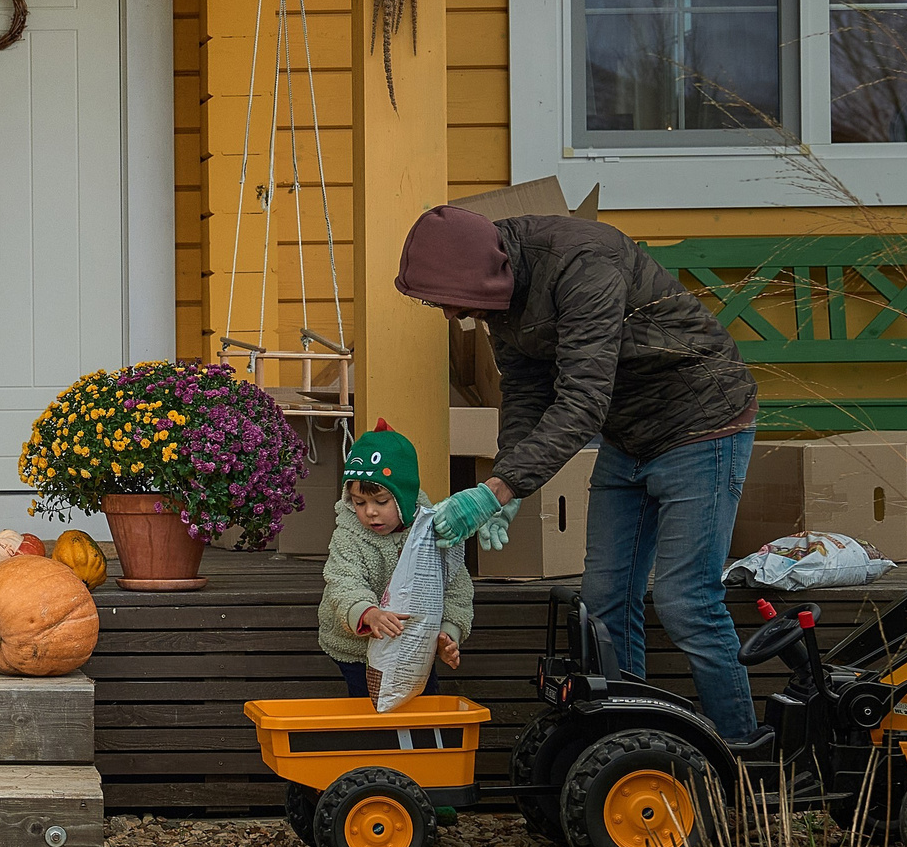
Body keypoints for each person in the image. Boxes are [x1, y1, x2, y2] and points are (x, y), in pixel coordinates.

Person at [396, 203, 764, 745]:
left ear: (484, 273)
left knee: (687, 602)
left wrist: (499, 489)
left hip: (701, 425)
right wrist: (510, 475)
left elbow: (582, 400)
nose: (449, 314)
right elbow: (524, 388)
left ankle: (743, 757)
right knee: (603, 603)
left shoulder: (582, 264)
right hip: (628, 435)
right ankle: (630, 749)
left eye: (445, 301)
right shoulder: (501, 289)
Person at [315, 421, 474, 700]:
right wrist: (368, 614)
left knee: (421, 704)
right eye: (359, 502)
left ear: (404, 495)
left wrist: (448, 634)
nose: (370, 512)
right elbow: (344, 581)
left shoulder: (432, 532)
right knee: (371, 710)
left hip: (416, 648)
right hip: (358, 649)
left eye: (381, 501)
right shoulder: (348, 536)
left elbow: (456, 587)